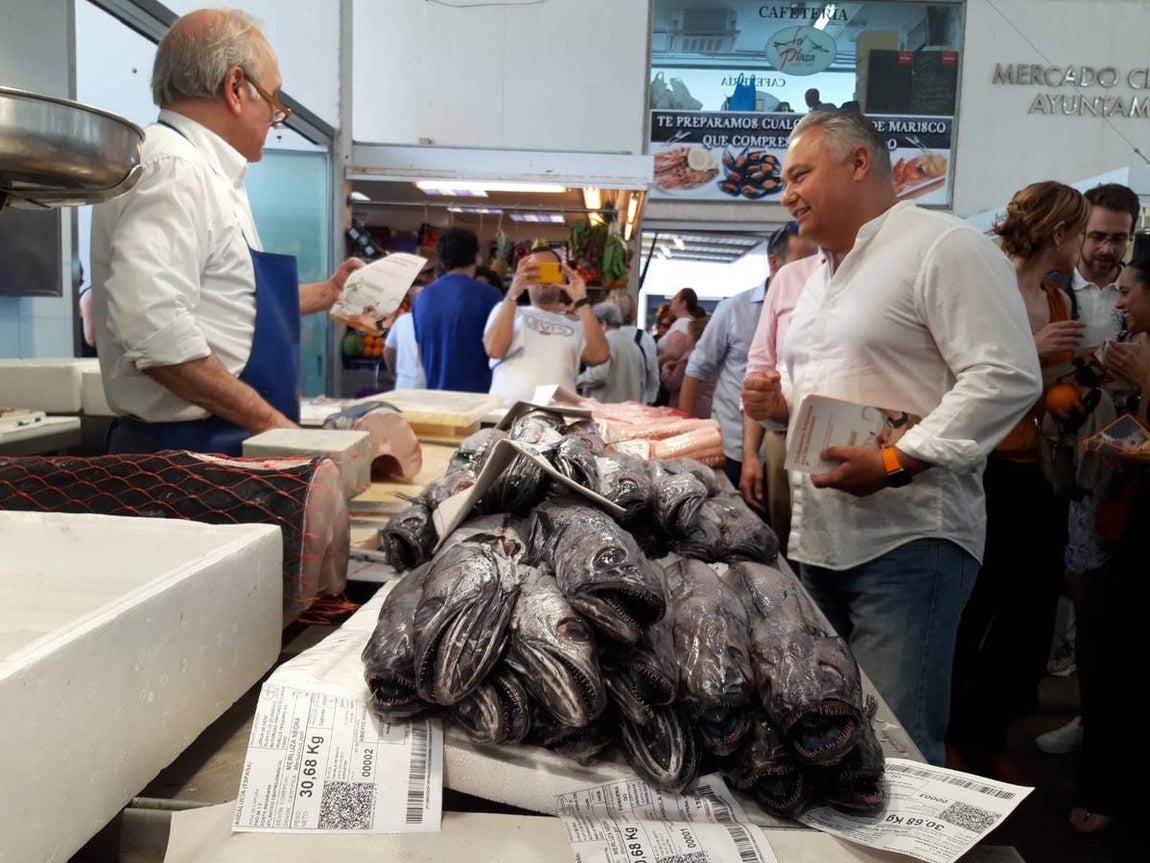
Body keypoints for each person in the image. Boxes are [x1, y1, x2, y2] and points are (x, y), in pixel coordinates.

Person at [741, 110, 1042, 765]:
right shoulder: (819, 276)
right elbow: (828, 391)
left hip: (909, 543)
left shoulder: (943, 246)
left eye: (799, 175)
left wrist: (898, 460)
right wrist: (779, 406)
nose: (787, 194)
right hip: (820, 543)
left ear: (858, 163)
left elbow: (1006, 376)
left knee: (895, 747)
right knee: (829, 734)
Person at [90, 8, 363, 456]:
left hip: (219, 441)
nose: (275, 118)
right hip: (188, 456)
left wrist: (328, 293)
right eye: (274, 100)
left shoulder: (208, 171)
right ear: (236, 88)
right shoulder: (175, 168)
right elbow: (156, 333)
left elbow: (228, 300)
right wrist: (275, 427)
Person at [947, 181, 1090, 781]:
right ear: (1058, 234)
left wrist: (1074, 392)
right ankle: (951, 735)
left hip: (1041, 473)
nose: (1084, 244)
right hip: (984, 471)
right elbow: (960, 373)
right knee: (972, 609)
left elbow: (1050, 385)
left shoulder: (1057, 299)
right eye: (1080, 232)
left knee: (1030, 617)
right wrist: (1033, 349)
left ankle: (990, 731)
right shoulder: (987, 285)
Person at [1036, 182, 1142, 756]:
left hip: (1117, 463)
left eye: (1117, 239)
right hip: (1054, 450)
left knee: (1101, 591)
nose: (1106, 249)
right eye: (1097, 236)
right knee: (1049, 579)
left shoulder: (1136, 291)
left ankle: (1093, 715)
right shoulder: (1051, 288)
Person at [1066, 236, 1150, 833]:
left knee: (1126, 659)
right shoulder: (1138, 348)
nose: (1119, 303)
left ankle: (1110, 793)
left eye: (1129, 292)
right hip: (1128, 524)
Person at [741, 221, 820, 541]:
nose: (789, 197)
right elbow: (760, 370)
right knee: (787, 540)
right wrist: (750, 454)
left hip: (850, 433)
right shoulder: (788, 279)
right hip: (783, 434)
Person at [483, 249, 609, 405]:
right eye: (535, 270)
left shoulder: (575, 323)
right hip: (506, 412)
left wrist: (581, 300)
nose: (543, 279)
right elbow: (495, 350)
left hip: (558, 416)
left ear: (561, 275)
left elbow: (599, 356)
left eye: (549, 270)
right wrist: (513, 292)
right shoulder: (508, 310)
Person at [412, 227, 503, 393]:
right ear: (477, 258)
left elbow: (420, 352)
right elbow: (500, 347)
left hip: (435, 394)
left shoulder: (422, 298)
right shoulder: (490, 295)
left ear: (441, 261)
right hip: (479, 396)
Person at [576, 301, 645, 403]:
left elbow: (597, 375)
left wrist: (573, 380)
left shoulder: (604, 344)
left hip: (606, 406)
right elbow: (642, 381)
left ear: (603, 324)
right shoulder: (634, 345)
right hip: (630, 407)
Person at [608, 288, 659, 404]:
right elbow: (653, 377)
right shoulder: (645, 338)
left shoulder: (604, 337)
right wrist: (649, 401)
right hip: (637, 403)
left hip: (606, 403)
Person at [662, 315, 712, 413]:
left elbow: (672, 384)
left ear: (693, 337)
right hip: (708, 407)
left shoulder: (688, 361)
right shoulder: (713, 358)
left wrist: (665, 371)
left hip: (689, 407)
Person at [383, 285, 426, 391]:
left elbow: (388, 351)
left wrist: (394, 373)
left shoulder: (401, 321)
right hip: (426, 382)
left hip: (404, 382)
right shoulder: (435, 321)